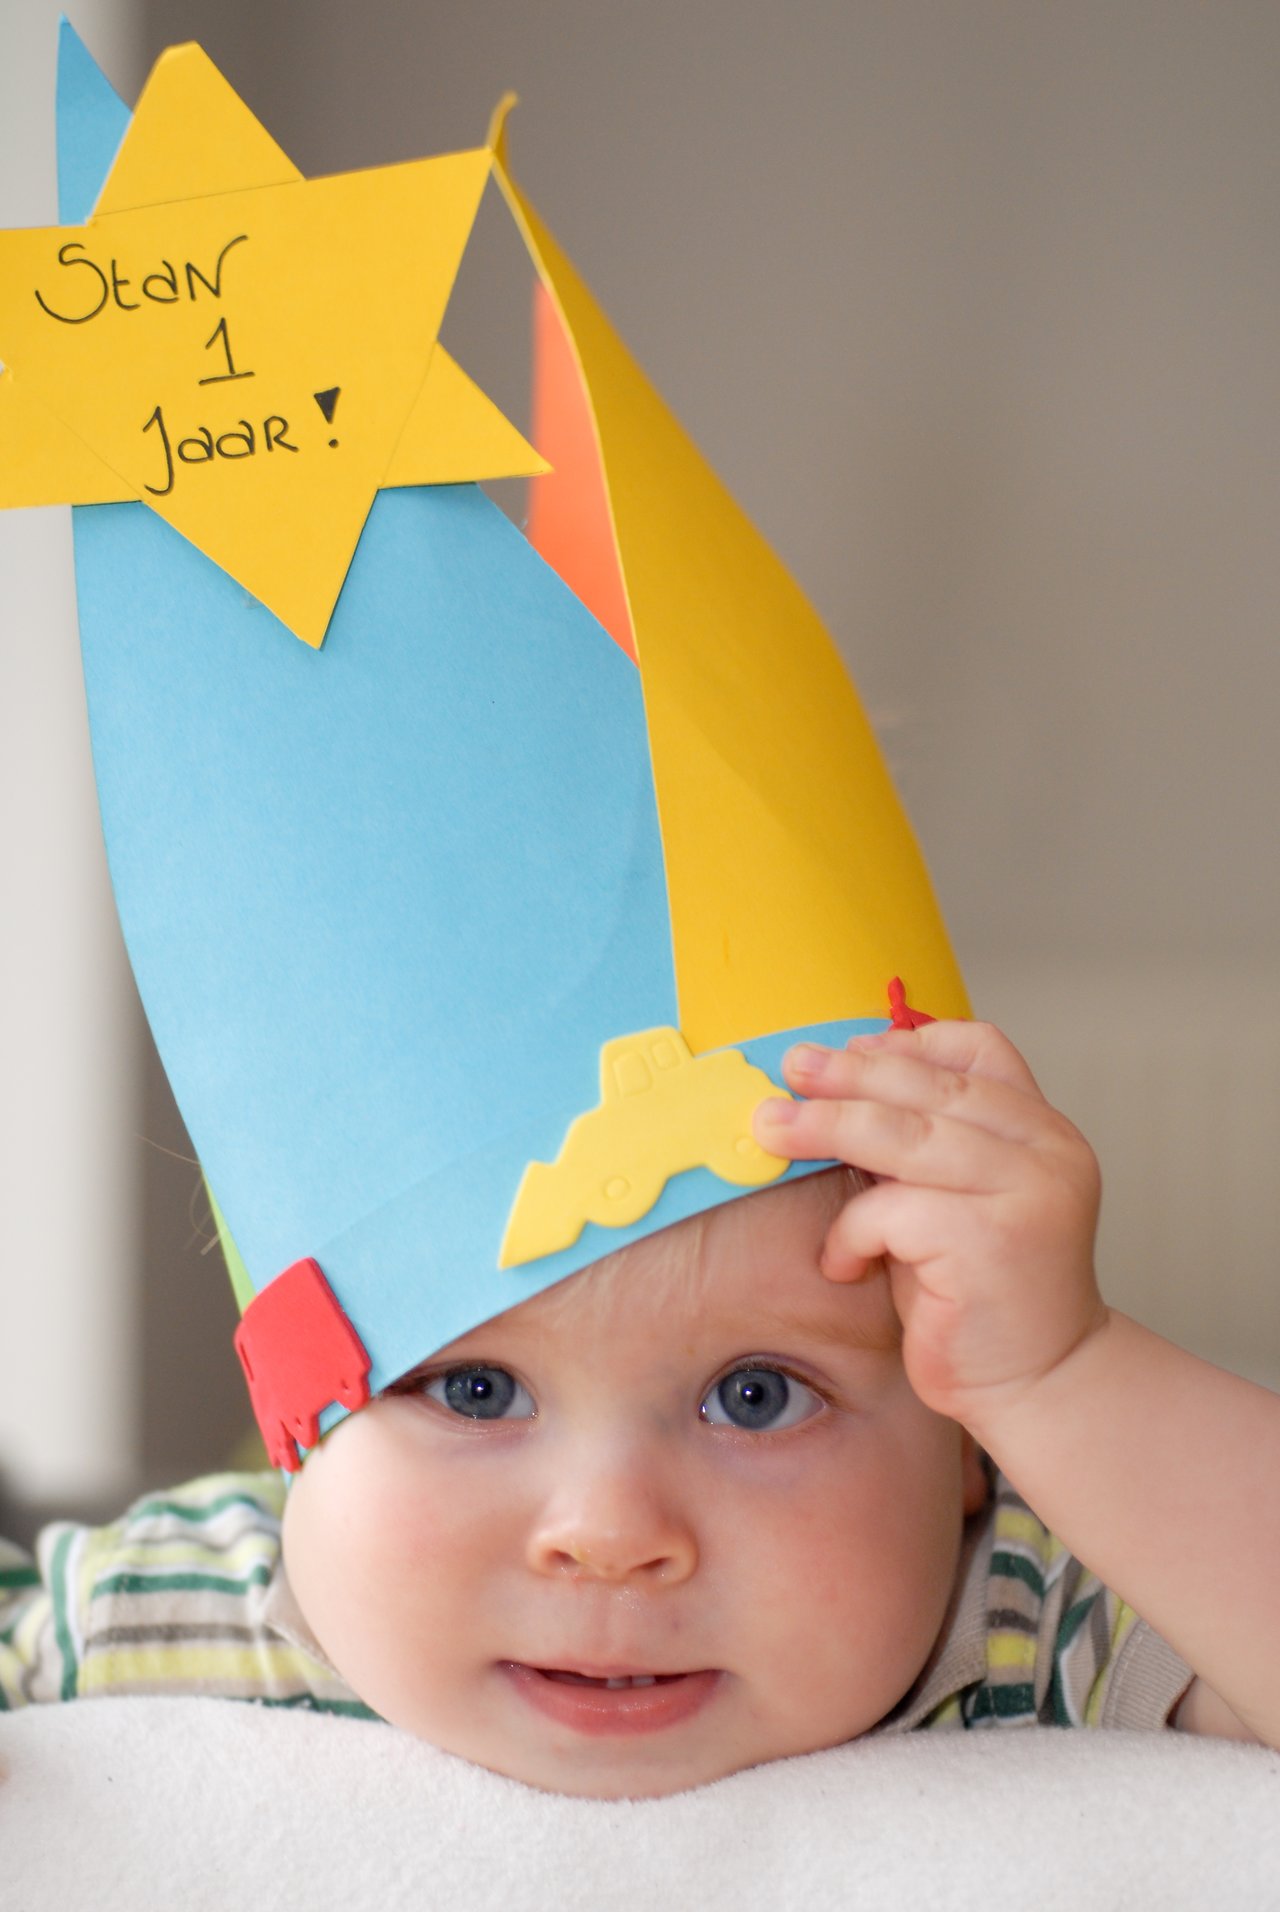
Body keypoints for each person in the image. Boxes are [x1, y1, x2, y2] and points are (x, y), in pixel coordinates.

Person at [3, 1014, 1276, 1797]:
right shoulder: (166, 1614)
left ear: (964, 1454)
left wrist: (1060, 1376)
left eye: (758, 1394)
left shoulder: (1006, 1627)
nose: (608, 1530)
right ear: (300, 1431)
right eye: (474, 1387)